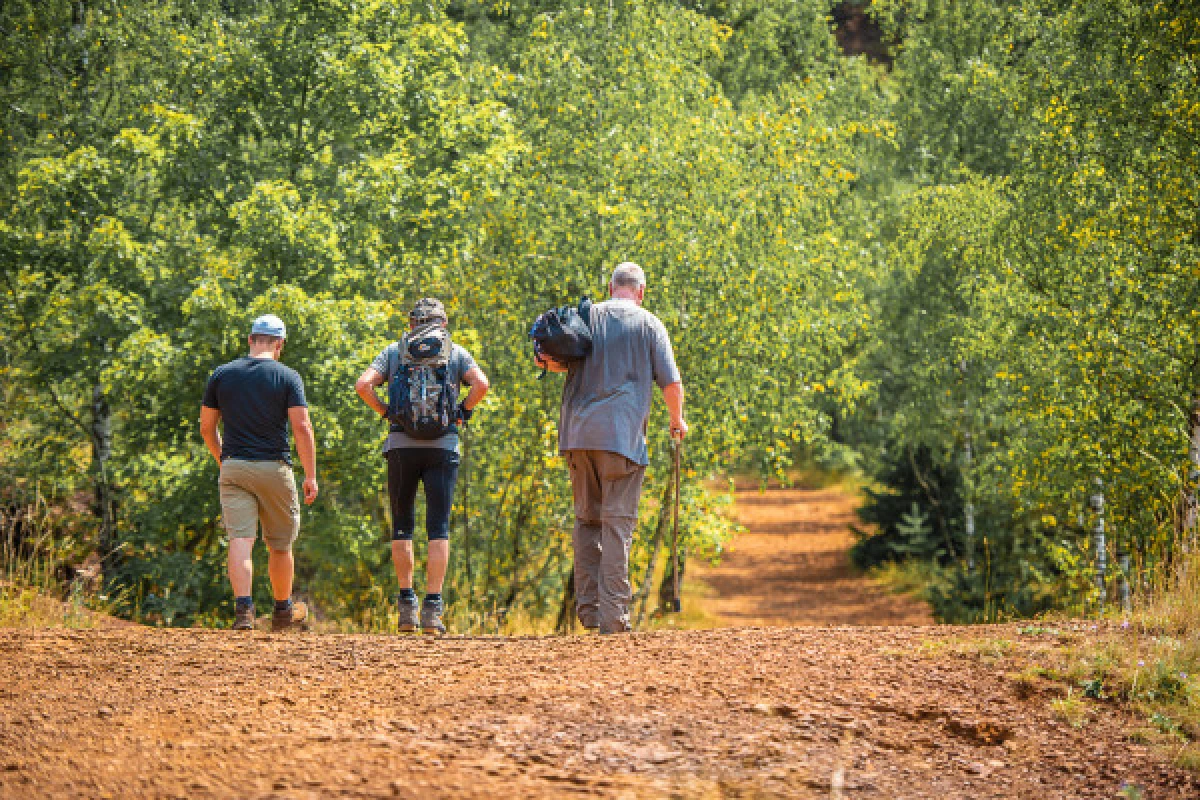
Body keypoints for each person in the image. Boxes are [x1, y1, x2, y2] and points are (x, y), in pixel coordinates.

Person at [537, 262, 687, 633]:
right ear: (641, 291)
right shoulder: (650, 324)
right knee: (617, 524)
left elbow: (555, 362)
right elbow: (671, 381)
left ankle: (588, 610)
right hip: (621, 438)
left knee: (587, 520)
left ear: (610, 287)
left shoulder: (587, 317)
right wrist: (676, 419)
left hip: (577, 437)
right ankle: (613, 616)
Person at [355, 298, 489, 634]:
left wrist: (387, 413)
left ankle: (406, 608)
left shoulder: (394, 351)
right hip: (443, 446)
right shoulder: (455, 352)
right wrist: (463, 412)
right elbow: (482, 384)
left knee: (402, 525)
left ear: (412, 323)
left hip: (401, 445)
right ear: (442, 324)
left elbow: (363, 385)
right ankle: (433, 610)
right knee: (438, 526)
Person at [199, 314, 318, 632]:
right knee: (280, 544)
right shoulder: (288, 377)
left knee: (241, 539)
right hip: (274, 468)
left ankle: (244, 613)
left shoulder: (221, 375)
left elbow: (207, 428)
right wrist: (310, 475)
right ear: (280, 345)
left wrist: (223, 460)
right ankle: (282, 611)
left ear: (251, 340)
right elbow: (302, 428)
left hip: (234, 466)